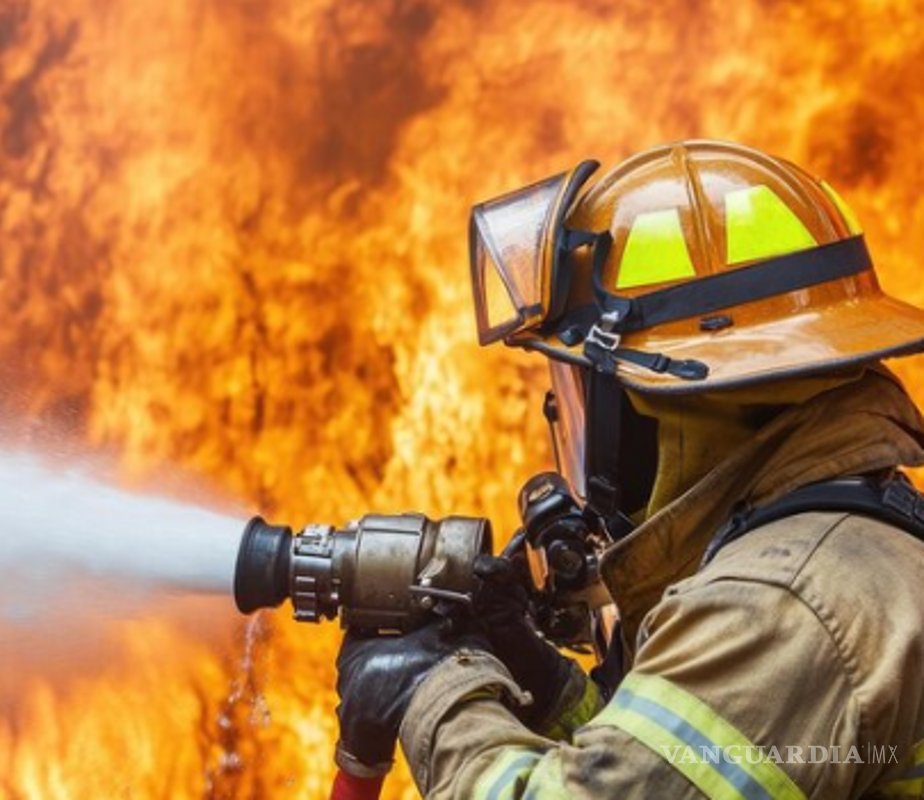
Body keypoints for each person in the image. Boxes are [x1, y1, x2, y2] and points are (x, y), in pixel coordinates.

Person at [334, 140, 924, 799]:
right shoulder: (835, 546)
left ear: (670, 403)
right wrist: (548, 685)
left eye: (590, 390)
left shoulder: (783, 602)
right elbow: (663, 769)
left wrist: (435, 694)